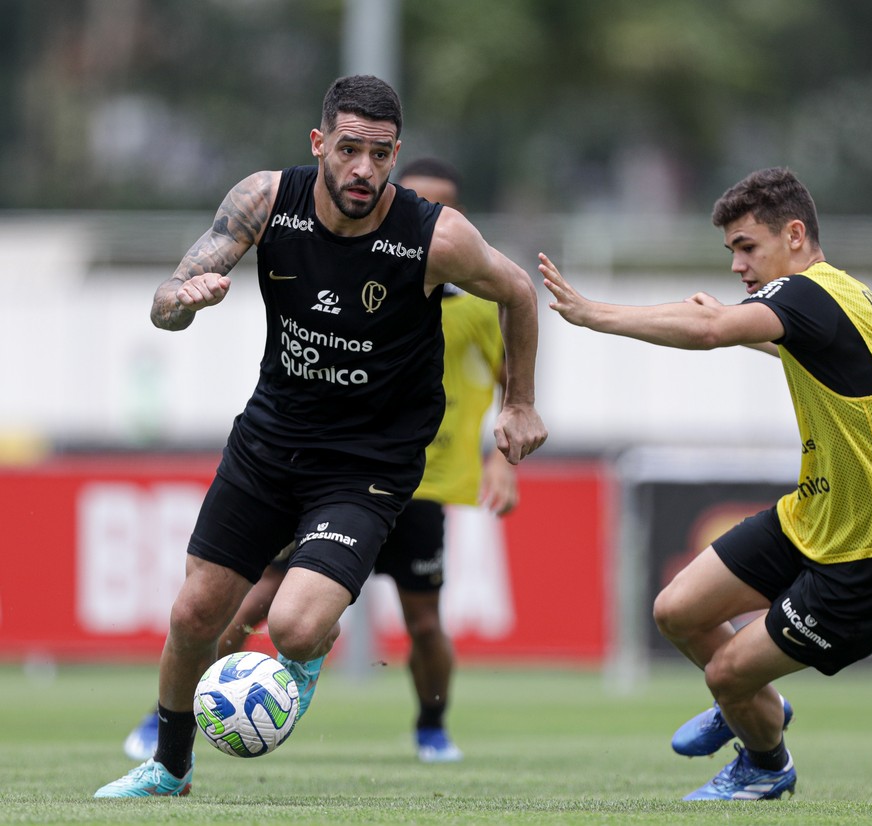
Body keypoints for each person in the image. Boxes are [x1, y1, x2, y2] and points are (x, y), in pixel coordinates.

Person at [96, 75, 546, 798]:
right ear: (319, 144)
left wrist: (519, 403)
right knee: (194, 615)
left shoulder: (435, 235)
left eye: (380, 154)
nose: (363, 170)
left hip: (368, 461)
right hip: (269, 442)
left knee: (295, 627)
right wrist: (184, 301)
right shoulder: (265, 200)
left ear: (395, 153)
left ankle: (318, 659)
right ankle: (169, 767)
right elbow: (163, 303)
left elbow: (518, 292)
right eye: (348, 150)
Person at [540, 166, 872, 801]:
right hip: (818, 517)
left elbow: (710, 331)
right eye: (732, 251)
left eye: (747, 247)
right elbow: (772, 339)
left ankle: (765, 763)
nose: (737, 265)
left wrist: (595, 314)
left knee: (726, 673)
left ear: (796, 235)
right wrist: (725, 317)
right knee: (677, 610)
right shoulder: (836, 296)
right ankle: (757, 708)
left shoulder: (806, 295)